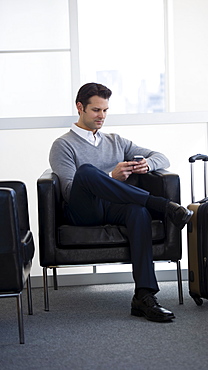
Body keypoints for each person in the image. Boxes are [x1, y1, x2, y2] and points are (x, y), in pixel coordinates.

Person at [49, 82, 193, 323]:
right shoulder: (63, 145)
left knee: (138, 212)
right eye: (96, 110)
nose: (101, 116)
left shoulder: (116, 141)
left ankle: (144, 296)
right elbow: (68, 190)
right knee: (87, 171)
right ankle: (161, 205)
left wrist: (148, 165)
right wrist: (109, 177)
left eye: (105, 110)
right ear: (80, 108)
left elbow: (161, 156)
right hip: (84, 210)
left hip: (114, 207)